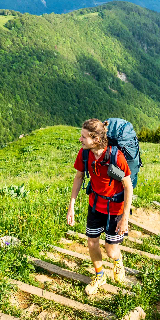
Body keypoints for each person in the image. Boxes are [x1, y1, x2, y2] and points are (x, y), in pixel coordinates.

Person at [66, 118, 133, 295]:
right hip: (95, 205)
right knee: (92, 242)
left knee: (111, 250)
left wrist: (125, 218)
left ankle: (117, 262)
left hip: (115, 209)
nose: (80, 139)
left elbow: (128, 186)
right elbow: (79, 177)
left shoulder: (115, 157)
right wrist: (71, 206)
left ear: (96, 139)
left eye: (84, 137)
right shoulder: (85, 154)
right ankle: (100, 275)